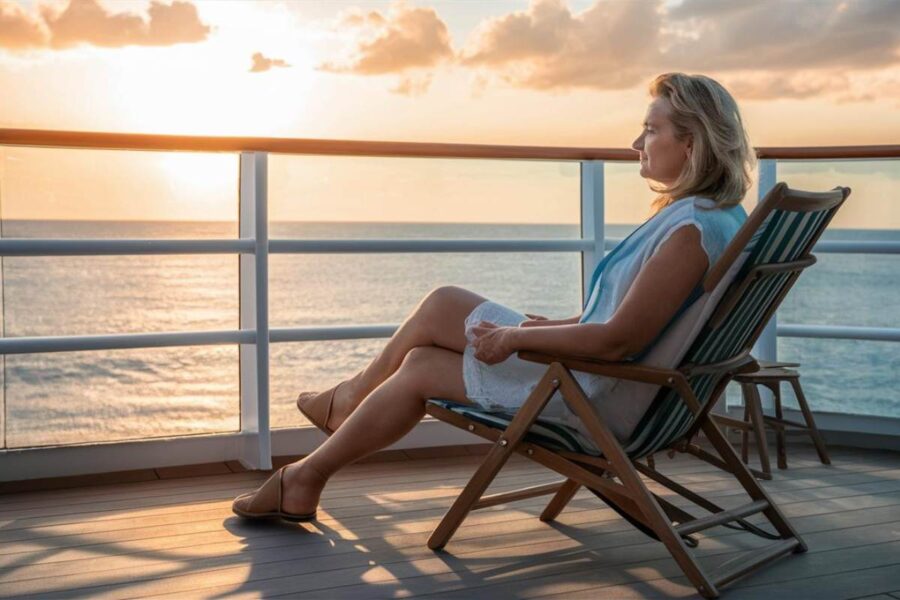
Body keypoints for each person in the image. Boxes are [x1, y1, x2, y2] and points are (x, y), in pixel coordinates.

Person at [232, 72, 754, 522]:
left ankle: (319, 449)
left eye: (651, 129)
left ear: (692, 143)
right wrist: (544, 327)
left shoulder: (690, 232)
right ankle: (318, 450)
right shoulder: (718, 218)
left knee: (426, 345)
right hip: (602, 378)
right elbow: (633, 319)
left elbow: (619, 341)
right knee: (431, 329)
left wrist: (514, 338)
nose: (636, 143)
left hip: (595, 397)